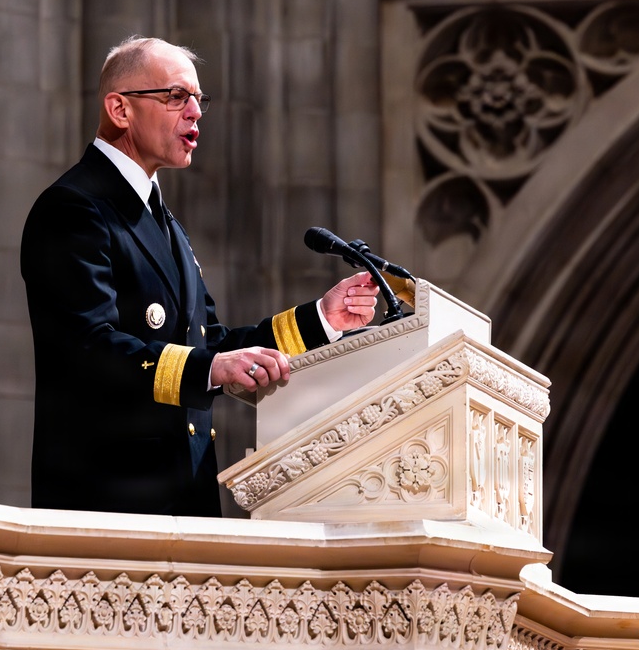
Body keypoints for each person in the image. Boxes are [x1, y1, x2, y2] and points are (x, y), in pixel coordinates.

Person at [21, 35, 380, 516]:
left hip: (181, 503)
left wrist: (322, 319)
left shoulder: (164, 223)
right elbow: (88, 347)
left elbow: (211, 343)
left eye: (198, 99)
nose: (195, 112)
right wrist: (208, 369)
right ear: (120, 109)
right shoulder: (75, 208)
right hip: (107, 506)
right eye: (175, 96)